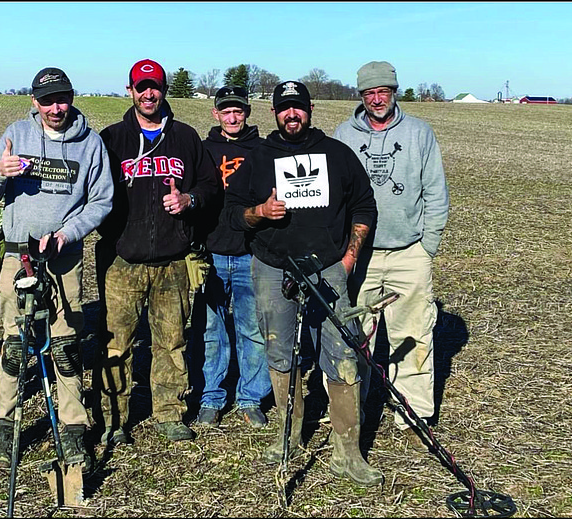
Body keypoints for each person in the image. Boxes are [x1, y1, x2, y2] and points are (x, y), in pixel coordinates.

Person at [222, 80, 382, 485]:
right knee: (280, 353)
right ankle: (288, 436)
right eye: (283, 108)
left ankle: (348, 452)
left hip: (328, 268)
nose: (291, 114)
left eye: (298, 107)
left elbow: (364, 205)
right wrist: (260, 212)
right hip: (272, 268)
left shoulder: (337, 154)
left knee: (342, 354)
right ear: (274, 113)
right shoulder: (258, 158)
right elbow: (232, 213)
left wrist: (348, 260)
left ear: (309, 109)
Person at [0, 67, 113, 471]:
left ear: (72, 98)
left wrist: (68, 234)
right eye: (48, 100)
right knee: (15, 344)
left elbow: (101, 201)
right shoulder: (16, 133)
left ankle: (73, 429)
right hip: (17, 257)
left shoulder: (91, 143)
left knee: (67, 345)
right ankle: (5, 423)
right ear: (34, 102)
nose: (56, 108)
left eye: (63, 98)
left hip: (63, 259)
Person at [95, 59, 221, 444]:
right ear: (130, 90)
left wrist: (189, 199)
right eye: (141, 87)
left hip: (172, 259)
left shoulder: (185, 137)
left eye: (156, 87)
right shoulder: (111, 138)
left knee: (171, 341)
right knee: (117, 343)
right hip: (122, 261)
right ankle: (115, 419)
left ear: (164, 91)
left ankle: (169, 412)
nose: (149, 94)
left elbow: (211, 188)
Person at [333, 61, 449, 448]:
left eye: (384, 91)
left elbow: (435, 193)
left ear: (395, 92)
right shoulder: (344, 135)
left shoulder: (418, 133)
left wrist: (425, 247)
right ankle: (356, 412)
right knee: (356, 335)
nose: (377, 98)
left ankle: (414, 414)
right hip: (360, 255)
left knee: (414, 333)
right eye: (369, 93)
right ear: (361, 96)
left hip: (408, 253)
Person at [191, 85, 270, 428]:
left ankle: (251, 397)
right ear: (216, 114)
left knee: (252, 329)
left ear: (247, 112)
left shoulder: (264, 150)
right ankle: (211, 396)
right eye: (226, 111)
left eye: (238, 110)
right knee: (212, 330)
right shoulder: (204, 150)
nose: (233, 116)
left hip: (251, 252)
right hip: (212, 250)